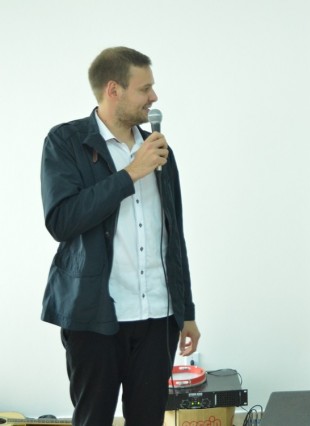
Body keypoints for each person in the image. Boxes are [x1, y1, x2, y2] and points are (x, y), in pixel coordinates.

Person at [40, 46, 201, 426]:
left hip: (158, 315)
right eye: (145, 88)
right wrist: (129, 174)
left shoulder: (158, 150)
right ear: (113, 89)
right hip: (94, 316)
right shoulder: (66, 142)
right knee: (93, 419)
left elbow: (174, 236)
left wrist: (187, 311)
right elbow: (61, 220)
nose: (154, 97)